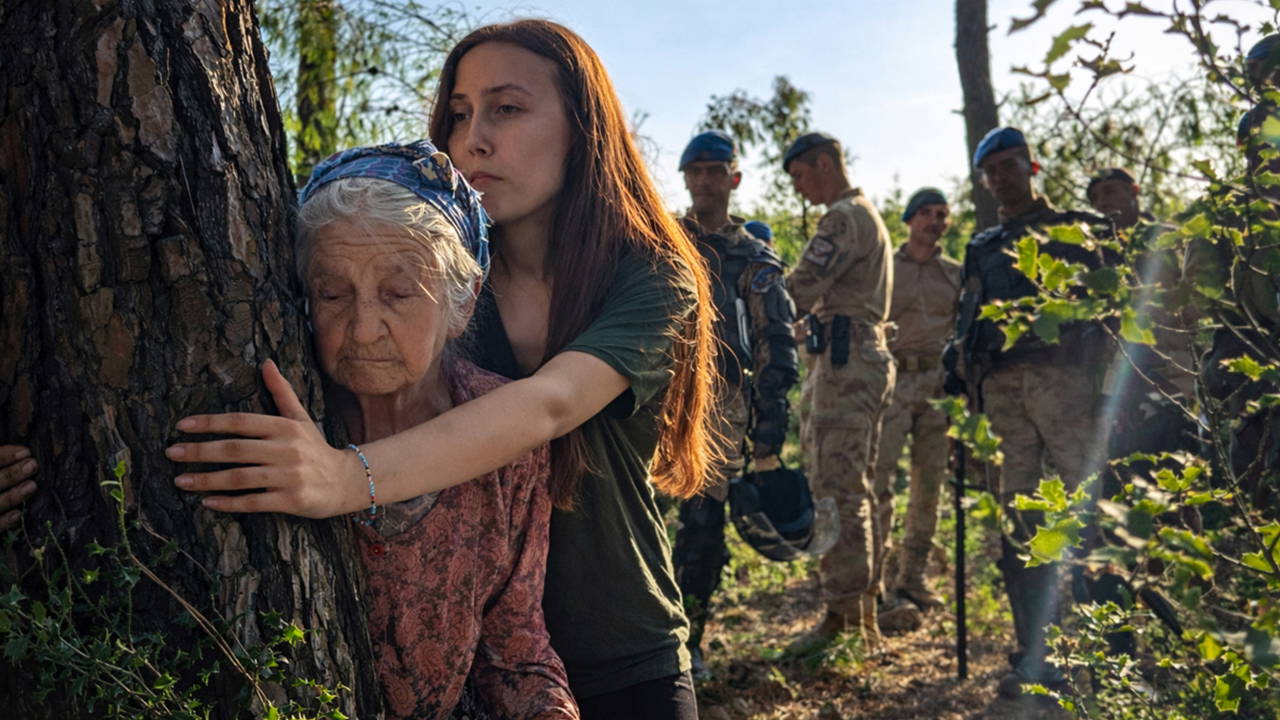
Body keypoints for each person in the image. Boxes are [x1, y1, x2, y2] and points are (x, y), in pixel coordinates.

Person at [166, 20, 718, 720]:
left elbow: (547, 406)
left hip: (616, 648)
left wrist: (346, 478)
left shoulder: (648, 278)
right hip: (466, 661)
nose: (473, 138)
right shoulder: (426, 282)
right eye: (459, 114)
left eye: (507, 109)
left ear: (584, 130)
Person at [943, 127, 1113, 698]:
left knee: (1090, 511)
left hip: (1064, 384)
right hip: (1001, 398)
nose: (1000, 178)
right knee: (1020, 521)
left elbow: (1110, 310)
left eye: (1009, 166)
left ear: (1031, 167)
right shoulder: (982, 246)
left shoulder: (1077, 229)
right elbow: (966, 319)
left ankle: (1116, 649)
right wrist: (958, 374)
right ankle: (1036, 654)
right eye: (991, 172)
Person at [670, 130, 799, 676]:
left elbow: (777, 343)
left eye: (713, 171)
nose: (703, 181)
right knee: (638, 520)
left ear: (733, 180)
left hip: (720, 405)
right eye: (694, 171)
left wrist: (769, 429)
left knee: (701, 529)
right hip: (656, 396)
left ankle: (687, 639)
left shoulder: (752, 257)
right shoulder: (662, 240)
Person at [781, 132, 896, 653]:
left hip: (847, 365)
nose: (800, 190)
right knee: (856, 489)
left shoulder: (843, 218)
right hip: (852, 356)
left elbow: (799, 287)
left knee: (837, 489)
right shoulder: (864, 214)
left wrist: (758, 302)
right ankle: (859, 614)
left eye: (801, 176)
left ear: (824, 164)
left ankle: (846, 623)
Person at [871, 187, 959, 633]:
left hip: (937, 387)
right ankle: (876, 582)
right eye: (926, 213)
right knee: (880, 482)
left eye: (942, 214)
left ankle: (912, 577)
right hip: (893, 381)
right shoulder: (885, 268)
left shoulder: (955, 275)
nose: (934, 221)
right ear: (909, 219)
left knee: (930, 485)